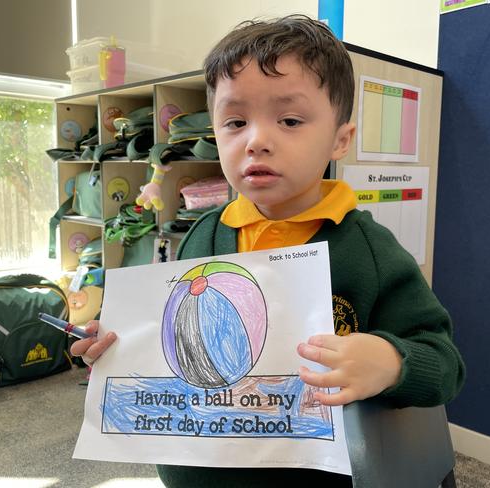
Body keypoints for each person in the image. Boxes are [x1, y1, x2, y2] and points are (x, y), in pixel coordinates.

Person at [71, 14, 465, 488]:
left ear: (341, 138)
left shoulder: (371, 252)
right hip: (199, 470)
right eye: (235, 122)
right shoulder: (202, 236)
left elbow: (445, 364)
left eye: (290, 120)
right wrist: (114, 347)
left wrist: (391, 362)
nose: (256, 140)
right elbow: (168, 337)